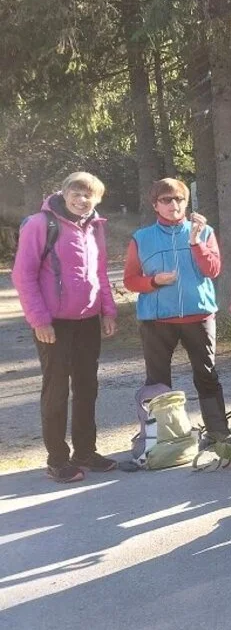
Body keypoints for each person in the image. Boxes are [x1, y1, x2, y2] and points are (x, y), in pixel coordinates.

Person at [13, 172, 119, 482]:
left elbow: (99, 273)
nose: (81, 199)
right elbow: (23, 276)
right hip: (53, 324)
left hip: (87, 320)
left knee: (87, 387)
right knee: (56, 390)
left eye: (89, 195)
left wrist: (108, 312)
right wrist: (39, 321)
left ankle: (84, 452)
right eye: (76, 192)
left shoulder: (96, 227)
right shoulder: (39, 224)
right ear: (64, 192)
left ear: (97, 199)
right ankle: (57, 460)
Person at [123, 178, 229, 445]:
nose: (174, 205)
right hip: (157, 320)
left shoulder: (204, 231)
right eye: (166, 200)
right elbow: (130, 280)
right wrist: (153, 282)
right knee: (158, 381)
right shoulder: (141, 238)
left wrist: (196, 243)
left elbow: (213, 270)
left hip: (199, 316)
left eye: (179, 199)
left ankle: (219, 433)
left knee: (207, 375)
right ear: (155, 205)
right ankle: (163, 438)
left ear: (186, 202)